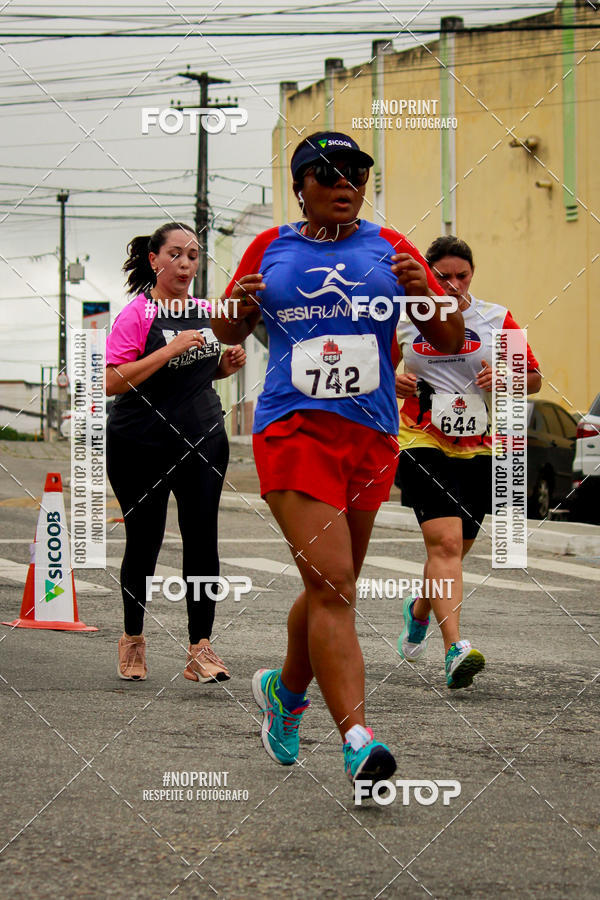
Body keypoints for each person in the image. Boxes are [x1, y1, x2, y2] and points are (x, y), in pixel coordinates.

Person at [211, 132, 464, 791]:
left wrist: (428, 292)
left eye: (357, 170)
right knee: (333, 583)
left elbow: (449, 338)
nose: (345, 181)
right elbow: (230, 329)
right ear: (300, 187)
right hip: (293, 429)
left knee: (328, 584)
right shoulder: (271, 247)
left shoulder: (391, 246)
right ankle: (358, 740)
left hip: (371, 436)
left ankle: (285, 694)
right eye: (327, 172)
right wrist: (235, 313)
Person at [395, 235, 541, 688]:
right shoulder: (402, 317)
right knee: (445, 544)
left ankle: (419, 610)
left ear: (471, 275)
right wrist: (390, 379)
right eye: (444, 276)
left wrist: (508, 374)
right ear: (428, 275)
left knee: (456, 549)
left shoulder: (496, 318)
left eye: (462, 275)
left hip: (480, 444)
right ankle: (455, 648)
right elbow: (371, 364)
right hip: (419, 439)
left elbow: (534, 377)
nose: (454, 284)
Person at [106, 222, 246, 682]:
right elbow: (110, 380)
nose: (186, 264)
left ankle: (200, 648)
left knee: (202, 539)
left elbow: (198, 376)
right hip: (140, 443)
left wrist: (224, 365)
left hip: (202, 438)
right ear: (154, 260)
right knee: (144, 542)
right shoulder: (138, 315)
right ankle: (132, 639)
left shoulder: (208, 312)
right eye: (175, 254)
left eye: (193, 255)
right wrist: (168, 351)